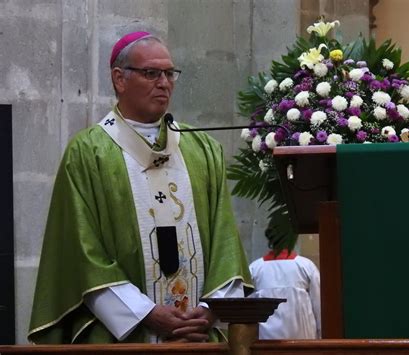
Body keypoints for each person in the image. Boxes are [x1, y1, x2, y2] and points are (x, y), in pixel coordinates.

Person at [28, 31, 253, 344]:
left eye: (169, 73)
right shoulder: (89, 153)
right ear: (120, 79)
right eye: (151, 73)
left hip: (197, 337)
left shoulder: (203, 150)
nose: (164, 82)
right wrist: (146, 313)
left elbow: (225, 243)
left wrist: (209, 309)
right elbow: (82, 254)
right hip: (123, 338)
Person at [249, 248, 321, 339]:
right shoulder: (306, 266)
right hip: (303, 343)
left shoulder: (255, 269)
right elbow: (320, 308)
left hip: (266, 344)